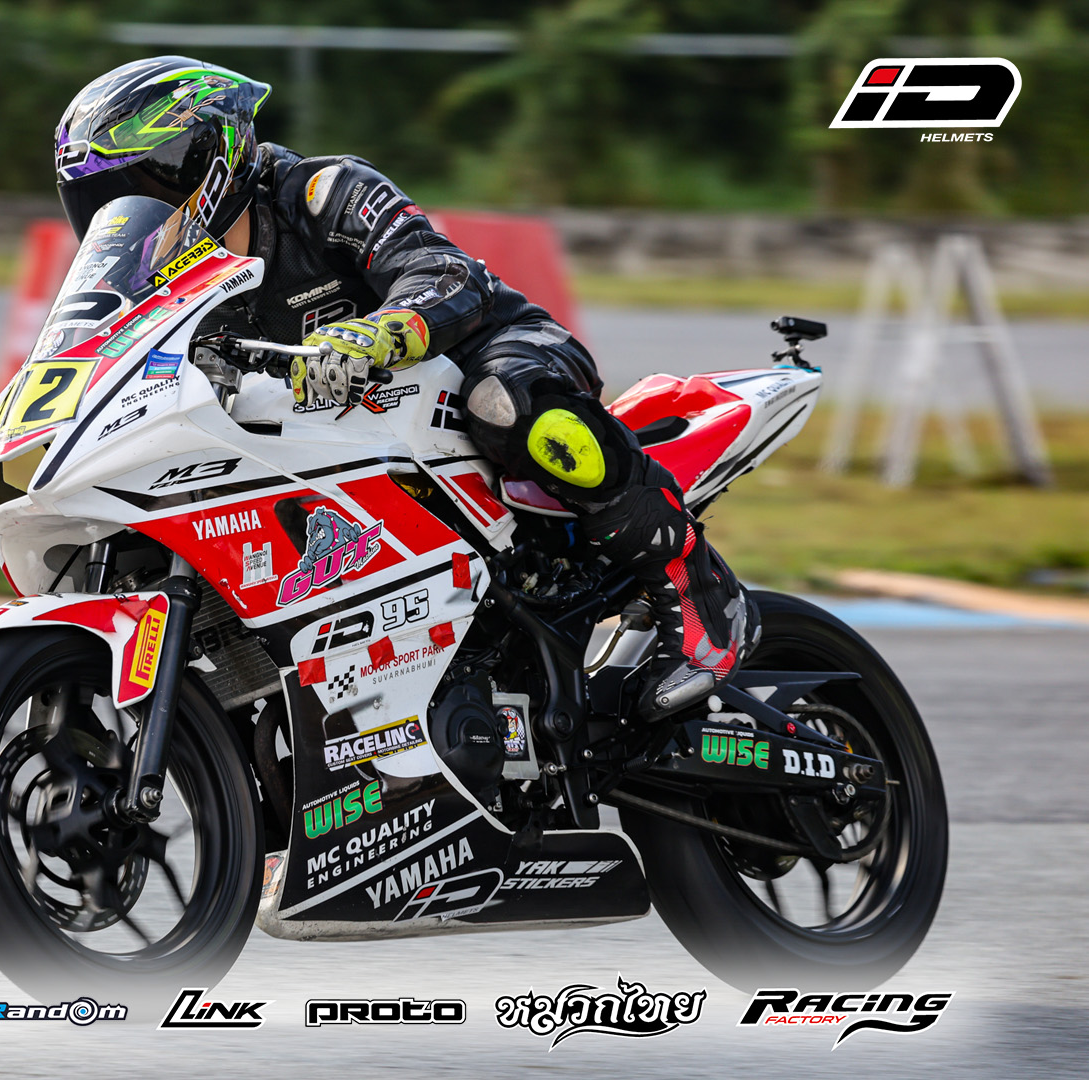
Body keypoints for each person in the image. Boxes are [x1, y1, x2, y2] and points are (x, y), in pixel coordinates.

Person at [53, 57, 751, 719]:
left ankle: (699, 588)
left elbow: (446, 273)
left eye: (137, 186)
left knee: (507, 404)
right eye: (100, 199)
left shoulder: (321, 191)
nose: (121, 212)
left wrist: (380, 333)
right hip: (344, 435)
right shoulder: (159, 282)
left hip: (486, 353)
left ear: (203, 158)